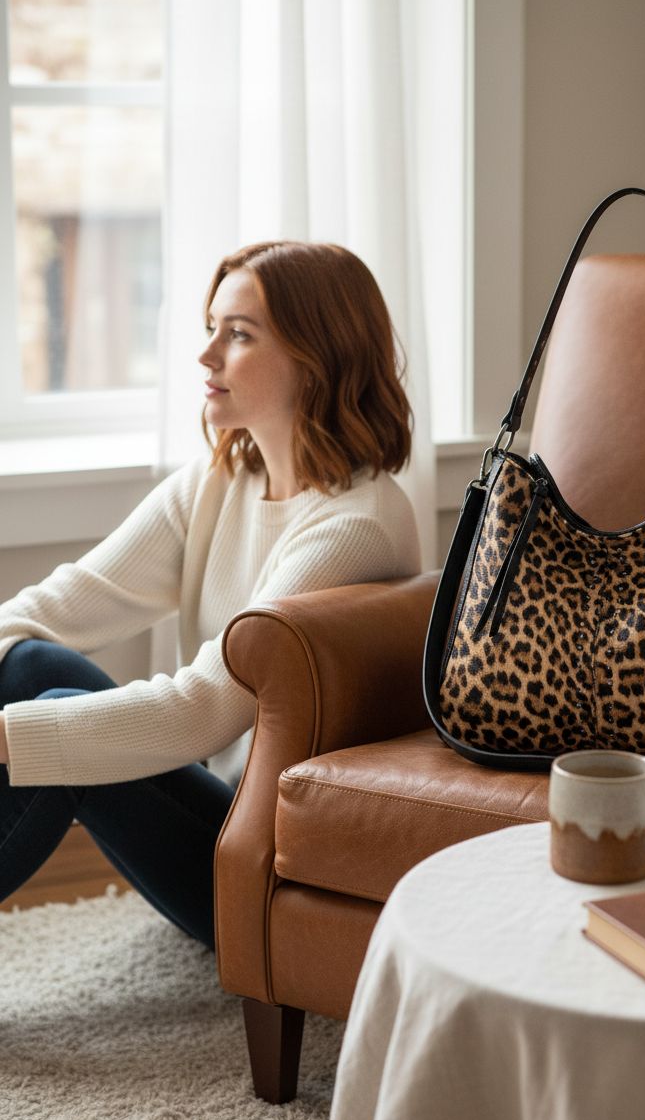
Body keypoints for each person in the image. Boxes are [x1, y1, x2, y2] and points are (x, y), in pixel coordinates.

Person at [0, 241, 420, 949]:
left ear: (316, 358)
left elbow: (206, 711)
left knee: (50, 718)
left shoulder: (358, 526)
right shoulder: (221, 481)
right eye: (211, 328)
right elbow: (68, 599)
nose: (207, 357)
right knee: (29, 661)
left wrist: (8, 737)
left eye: (239, 334)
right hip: (205, 803)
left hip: (259, 862)